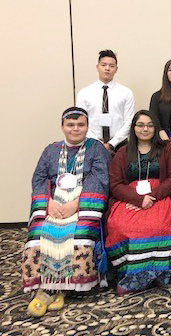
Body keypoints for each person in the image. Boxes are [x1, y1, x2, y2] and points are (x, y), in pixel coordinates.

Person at [23, 107, 111, 317]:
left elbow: (100, 179)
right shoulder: (51, 150)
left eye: (80, 125)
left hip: (84, 200)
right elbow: (39, 178)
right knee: (38, 236)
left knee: (78, 234)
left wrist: (77, 204)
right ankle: (48, 287)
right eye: (70, 125)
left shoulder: (96, 149)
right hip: (54, 202)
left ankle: (62, 287)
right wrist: (48, 203)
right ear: (62, 127)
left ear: (88, 126)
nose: (75, 129)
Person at [105, 110, 171, 295]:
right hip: (129, 198)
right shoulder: (123, 152)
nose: (145, 129)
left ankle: (155, 275)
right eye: (140, 125)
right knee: (121, 226)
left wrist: (153, 196)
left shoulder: (167, 149)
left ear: (155, 128)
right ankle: (131, 277)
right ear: (134, 128)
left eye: (150, 125)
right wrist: (138, 199)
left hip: (161, 197)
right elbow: (115, 183)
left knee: (159, 226)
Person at [76, 49, 135, 155]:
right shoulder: (84, 93)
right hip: (91, 143)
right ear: (97, 67)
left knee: (120, 171)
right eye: (104, 65)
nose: (107, 68)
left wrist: (112, 143)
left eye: (111, 66)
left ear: (116, 69)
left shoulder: (126, 93)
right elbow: (81, 121)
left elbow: (129, 121)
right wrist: (98, 143)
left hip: (120, 144)